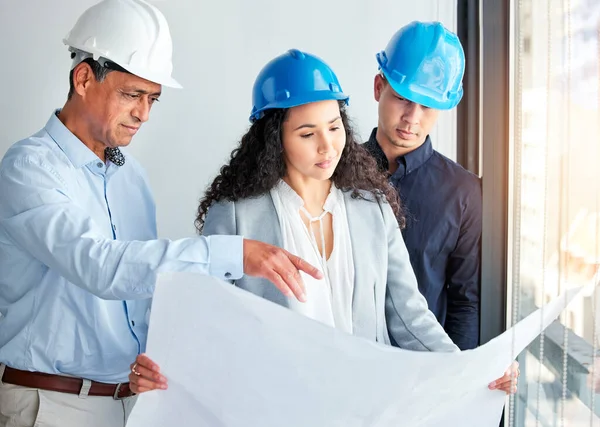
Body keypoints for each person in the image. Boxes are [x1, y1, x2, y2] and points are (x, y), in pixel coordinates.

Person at [0, 2, 320, 426]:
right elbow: (99, 266)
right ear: (83, 78)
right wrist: (231, 254)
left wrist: (149, 356)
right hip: (48, 403)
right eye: (131, 94)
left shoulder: (131, 179)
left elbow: (139, 293)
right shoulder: (29, 168)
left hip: (124, 404)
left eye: (152, 98)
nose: (144, 114)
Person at [128, 48, 518, 397]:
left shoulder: (373, 207)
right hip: (275, 407)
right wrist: (162, 369)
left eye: (334, 127)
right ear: (274, 138)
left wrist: (472, 372)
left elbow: (409, 315)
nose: (328, 146)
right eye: (307, 133)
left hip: (363, 406)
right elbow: (206, 322)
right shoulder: (235, 215)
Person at [364, 21, 482, 350]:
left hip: (424, 373)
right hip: (348, 370)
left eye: (428, 105)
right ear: (378, 87)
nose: (413, 118)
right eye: (403, 98)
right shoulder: (332, 174)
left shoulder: (464, 192)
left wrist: (458, 384)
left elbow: (465, 302)